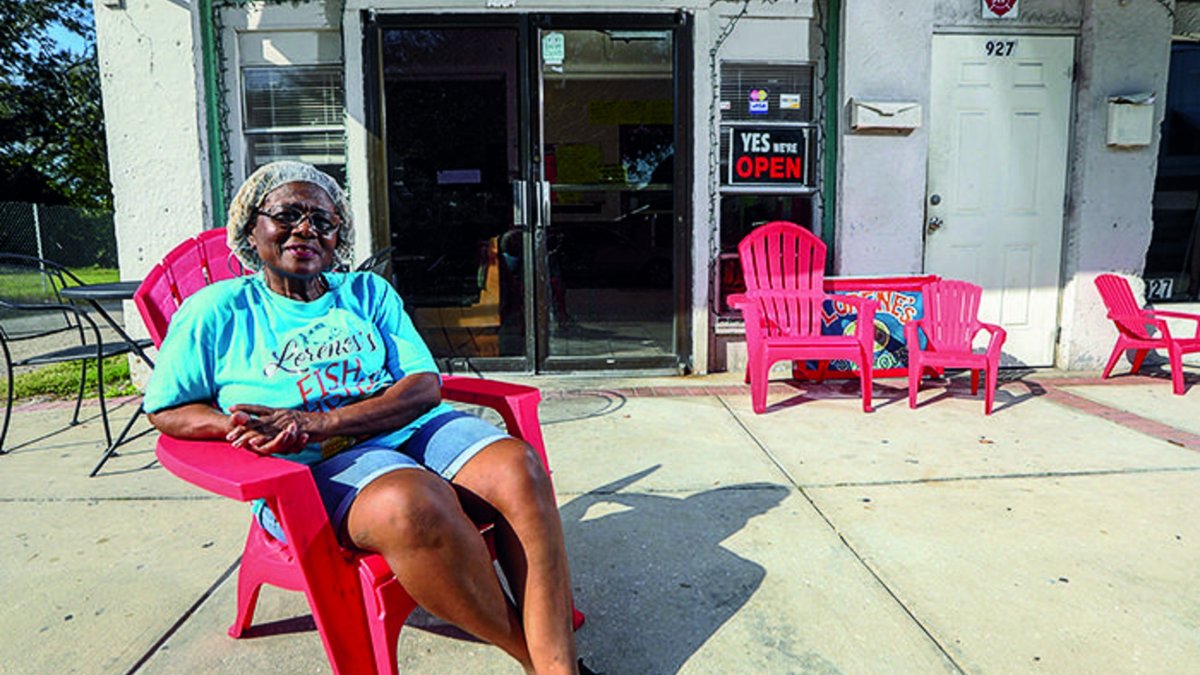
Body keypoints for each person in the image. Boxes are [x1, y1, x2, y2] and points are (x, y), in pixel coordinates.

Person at [143, 161, 585, 674]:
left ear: (337, 237)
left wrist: (317, 421)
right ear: (250, 227)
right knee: (412, 503)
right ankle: (541, 661)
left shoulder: (367, 294)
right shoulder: (216, 310)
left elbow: (422, 386)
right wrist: (235, 426)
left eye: (322, 220)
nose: (305, 229)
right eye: (288, 214)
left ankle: (557, 668)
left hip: (409, 429)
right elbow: (167, 409)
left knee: (519, 467)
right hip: (313, 471)